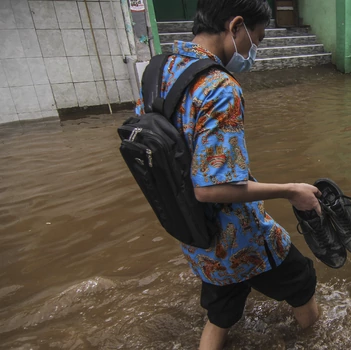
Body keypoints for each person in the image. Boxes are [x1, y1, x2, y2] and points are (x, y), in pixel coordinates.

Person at [134, 1, 322, 349]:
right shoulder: (219, 87)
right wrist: (290, 190)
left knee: (223, 306)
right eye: (257, 37)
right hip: (236, 237)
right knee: (302, 280)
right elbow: (212, 187)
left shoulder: (158, 71)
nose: (255, 49)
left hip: (192, 230)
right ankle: (313, 341)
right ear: (236, 27)